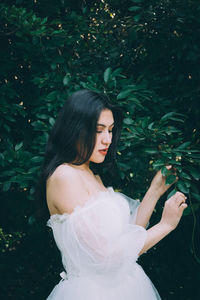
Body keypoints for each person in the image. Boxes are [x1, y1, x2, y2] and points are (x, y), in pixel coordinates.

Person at [40, 89, 187, 300]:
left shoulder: (91, 174)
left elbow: (130, 236)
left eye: (110, 130)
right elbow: (107, 256)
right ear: (74, 129)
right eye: (98, 131)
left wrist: (155, 191)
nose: (107, 139)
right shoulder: (64, 176)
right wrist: (165, 225)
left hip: (126, 287)